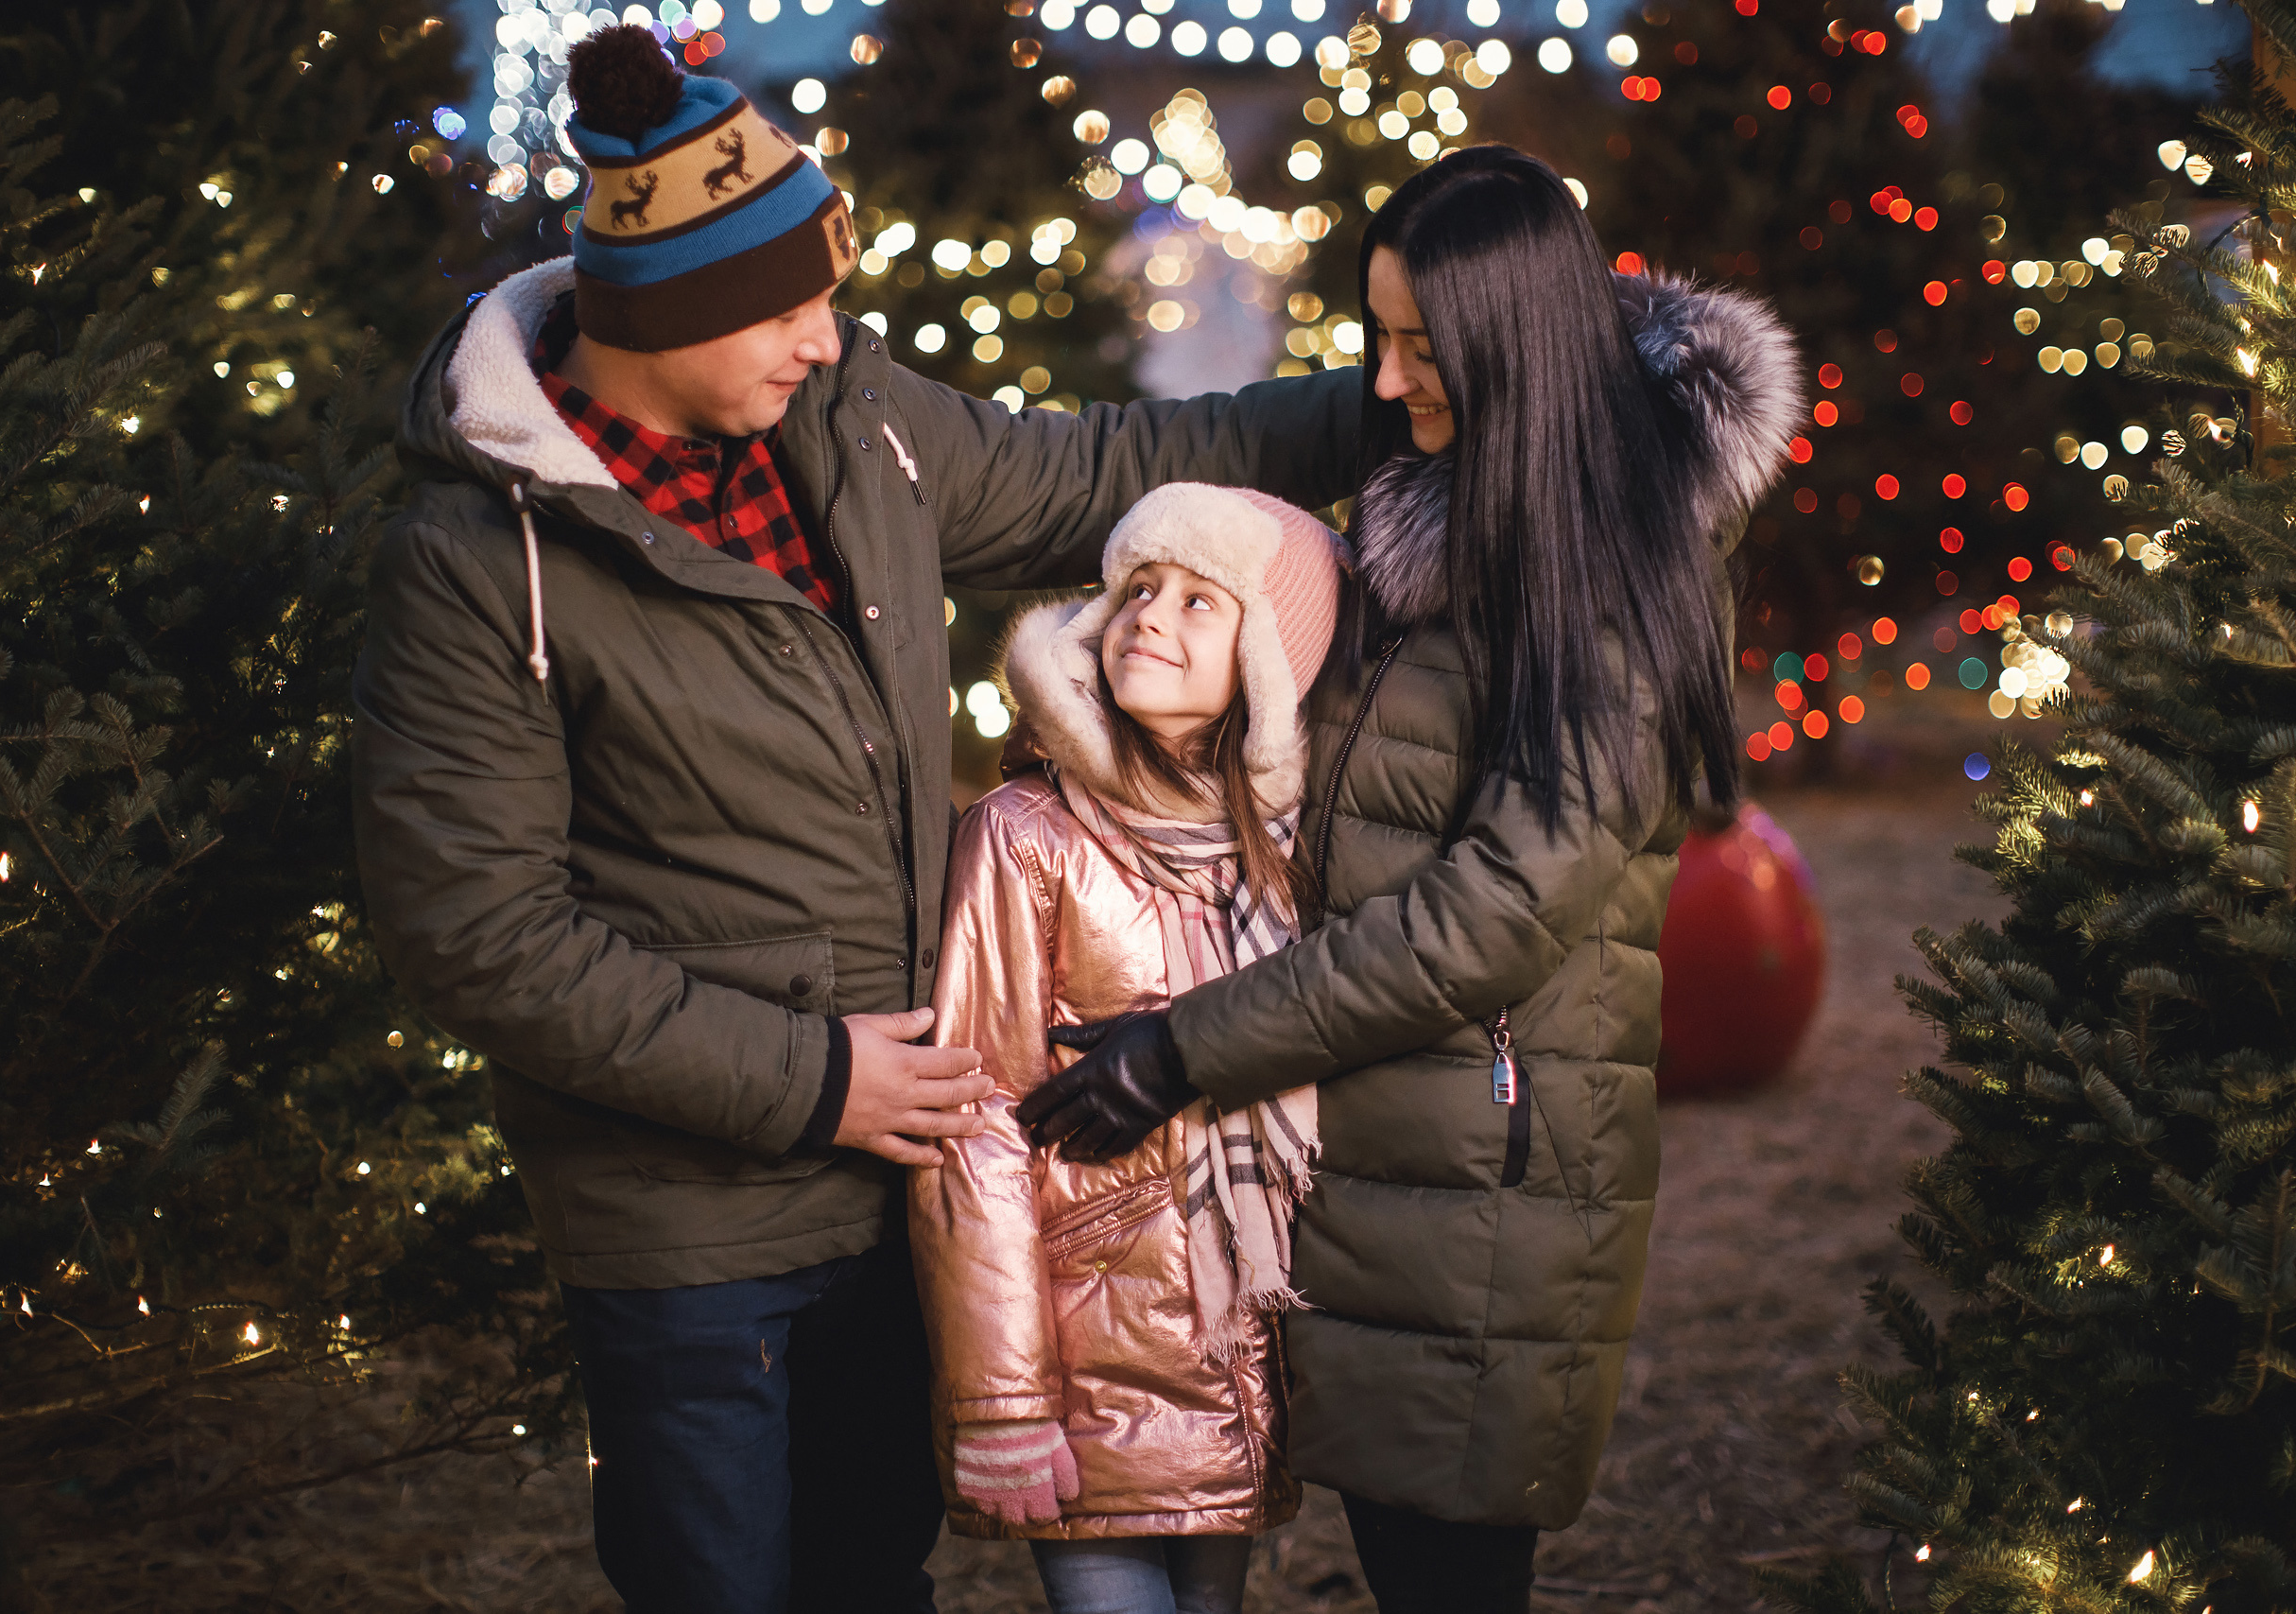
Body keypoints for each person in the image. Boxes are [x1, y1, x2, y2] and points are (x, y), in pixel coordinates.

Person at [348, 25, 1358, 1612]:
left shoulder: (860, 434)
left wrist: (1401, 404)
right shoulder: (485, 563)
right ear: (663, 315)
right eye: (790, 304)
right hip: (691, 1236)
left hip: (900, 1188)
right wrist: (812, 1076)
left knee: (873, 1577)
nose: (828, 336)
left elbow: (1123, 460)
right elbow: (475, 932)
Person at [1016, 146, 1803, 1612]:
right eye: (1374, 335)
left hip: (1484, 1176)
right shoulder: (1437, 495)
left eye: (1419, 346)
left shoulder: (1619, 566)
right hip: (1378, 1140)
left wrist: (1187, 1047)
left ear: (1512, 345)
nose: (1382, 382)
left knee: (1444, 1571)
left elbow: (1494, 912)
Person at [909, 483, 1343, 1614]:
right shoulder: (1024, 834)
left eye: (1203, 601)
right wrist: (1003, 1399)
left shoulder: (1276, 851)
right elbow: (978, 1122)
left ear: (1268, 665)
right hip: (1086, 1354)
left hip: (1232, 1345)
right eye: (1138, 587)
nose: (1151, 614)